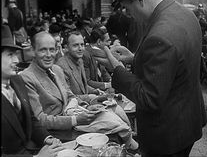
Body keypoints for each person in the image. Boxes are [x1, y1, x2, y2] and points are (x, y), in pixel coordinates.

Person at [96, 0, 207, 156]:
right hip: (187, 121)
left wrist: (117, 69)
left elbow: (149, 98)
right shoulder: (185, 14)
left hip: (167, 134)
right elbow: (176, 63)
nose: (130, 14)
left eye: (128, 9)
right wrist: (135, 58)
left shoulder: (161, 34)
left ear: (139, 0)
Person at [19, 31, 138, 150]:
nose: (49, 54)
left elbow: (70, 96)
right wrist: (75, 119)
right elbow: (39, 120)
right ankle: (131, 146)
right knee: (115, 125)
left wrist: (86, 107)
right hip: (58, 131)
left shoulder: (56, 69)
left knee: (114, 114)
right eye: (43, 50)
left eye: (52, 49)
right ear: (33, 51)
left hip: (75, 115)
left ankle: (130, 145)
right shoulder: (27, 77)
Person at [1, 24, 64, 156]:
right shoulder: (25, 77)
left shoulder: (16, 81)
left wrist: (47, 139)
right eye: (10, 55)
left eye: (16, 55)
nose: (17, 60)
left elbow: (31, 119)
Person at [83, 26, 112, 91]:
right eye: (107, 41)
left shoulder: (99, 53)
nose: (110, 43)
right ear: (99, 41)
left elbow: (103, 72)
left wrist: (110, 80)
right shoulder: (85, 55)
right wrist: (107, 85)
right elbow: (87, 82)